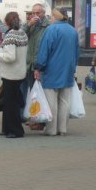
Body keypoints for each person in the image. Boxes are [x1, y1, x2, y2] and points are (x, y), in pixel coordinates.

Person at [34, 8, 79, 136]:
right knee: (65, 101)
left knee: (51, 101)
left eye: (51, 16)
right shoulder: (73, 30)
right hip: (67, 70)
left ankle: (51, 129)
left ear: (55, 16)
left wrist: (38, 67)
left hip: (51, 70)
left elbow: (44, 51)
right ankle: (62, 129)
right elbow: (77, 52)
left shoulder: (51, 29)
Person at [0, 12, 28, 138]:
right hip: (20, 72)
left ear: (6, 22)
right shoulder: (22, 33)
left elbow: (10, 57)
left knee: (10, 103)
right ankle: (6, 128)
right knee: (10, 101)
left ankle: (16, 130)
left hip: (10, 74)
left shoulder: (10, 36)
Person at [23, 3, 50, 89]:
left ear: (43, 13)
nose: (35, 15)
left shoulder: (48, 27)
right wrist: (28, 25)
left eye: (37, 13)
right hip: (30, 65)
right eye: (33, 13)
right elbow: (20, 36)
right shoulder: (30, 25)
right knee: (32, 93)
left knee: (41, 93)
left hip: (40, 66)